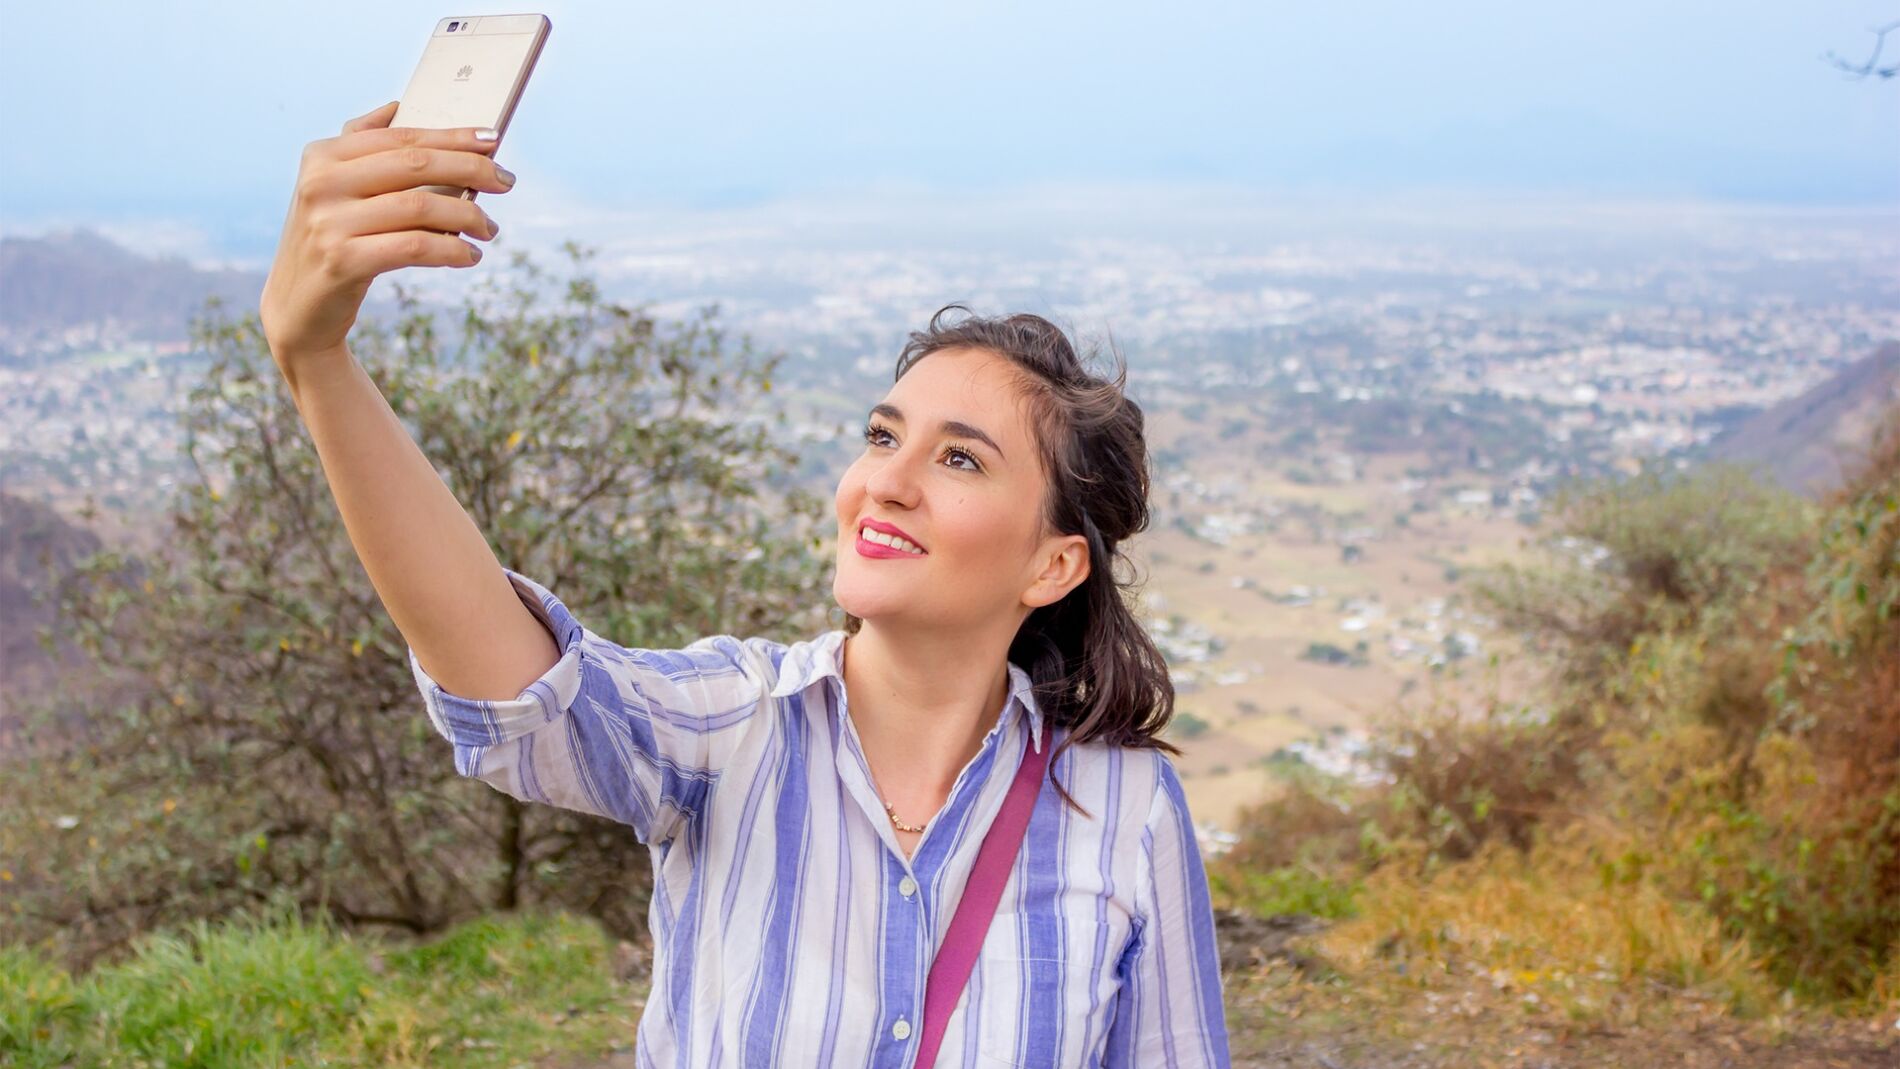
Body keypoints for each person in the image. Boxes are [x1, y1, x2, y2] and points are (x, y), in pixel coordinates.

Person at [260, 101, 1231, 1068]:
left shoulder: (1124, 809)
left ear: (1052, 563)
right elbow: (511, 688)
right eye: (884, 436)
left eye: (961, 460)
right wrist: (317, 360)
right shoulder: (731, 727)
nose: (884, 480)